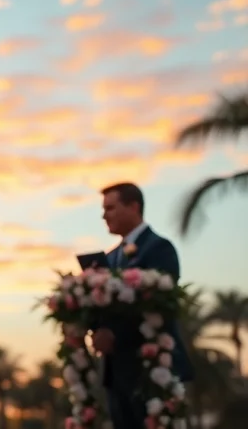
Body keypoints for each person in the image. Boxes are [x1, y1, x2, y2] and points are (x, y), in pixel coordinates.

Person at [91, 182, 193, 429]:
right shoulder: (110, 257)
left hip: (150, 369)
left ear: (134, 206)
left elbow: (158, 305)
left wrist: (115, 335)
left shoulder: (159, 248)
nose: (104, 215)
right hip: (116, 373)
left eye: (111, 208)